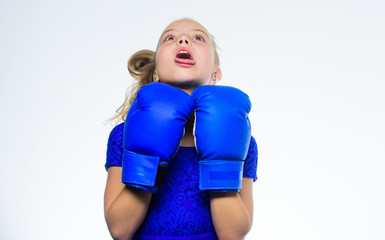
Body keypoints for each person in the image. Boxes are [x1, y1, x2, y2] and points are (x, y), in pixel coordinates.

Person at [103, 18, 258, 240]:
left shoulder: (241, 141)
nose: (183, 40)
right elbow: (120, 230)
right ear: (155, 73)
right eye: (170, 38)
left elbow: (232, 235)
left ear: (216, 74)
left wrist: (221, 162)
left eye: (198, 38)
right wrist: (148, 159)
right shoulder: (124, 135)